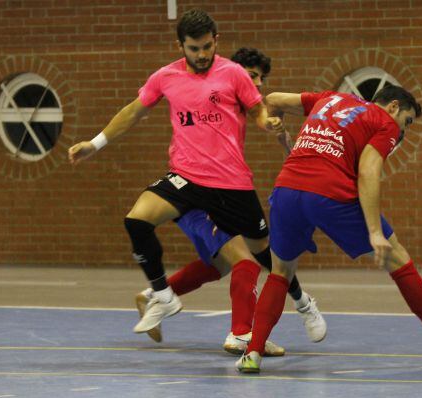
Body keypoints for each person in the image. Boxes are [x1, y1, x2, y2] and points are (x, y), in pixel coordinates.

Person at [68, 10, 322, 345]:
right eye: (194, 49)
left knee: (263, 254)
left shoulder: (233, 73)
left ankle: (302, 304)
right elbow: (133, 112)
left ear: (216, 40)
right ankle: (163, 295)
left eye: (206, 47)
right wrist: (95, 144)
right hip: (186, 178)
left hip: (231, 184)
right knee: (137, 221)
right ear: (181, 46)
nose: (201, 55)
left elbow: (257, 110)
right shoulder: (165, 76)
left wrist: (267, 123)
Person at [235, 86, 422, 373]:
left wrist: (278, 128)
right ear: (393, 106)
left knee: (280, 272)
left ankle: (253, 352)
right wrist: (374, 231)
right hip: (329, 193)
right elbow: (368, 171)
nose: (403, 131)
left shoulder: (332, 98)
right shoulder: (383, 122)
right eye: (406, 121)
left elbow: (273, 100)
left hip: (287, 189)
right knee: (398, 257)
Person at [134, 48, 327, 357]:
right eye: (251, 76)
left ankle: (155, 294)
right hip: (195, 196)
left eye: (260, 78)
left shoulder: (248, 102)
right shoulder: (210, 90)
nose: (256, 83)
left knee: (220, 264)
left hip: (223, 191)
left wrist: (284, 140)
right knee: (248, 259)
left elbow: (270, 117)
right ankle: (246, 331)